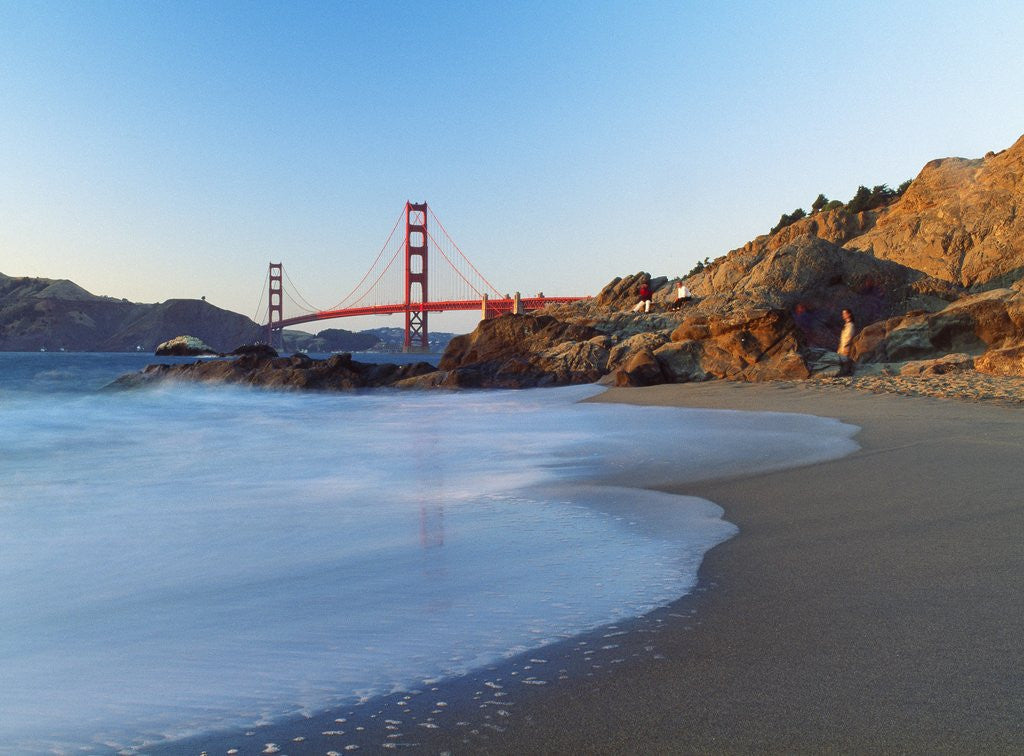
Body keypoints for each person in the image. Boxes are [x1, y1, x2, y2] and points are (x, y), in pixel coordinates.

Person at [838, 308, 856, 374]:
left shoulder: (850, 325)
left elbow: (848, 338)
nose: (843, 315)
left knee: (844, 363)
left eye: (845, 313)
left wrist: (844, 348)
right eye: (843, 314)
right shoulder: (847, 325)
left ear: (849, 314)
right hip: (843, 347)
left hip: (846, 348)